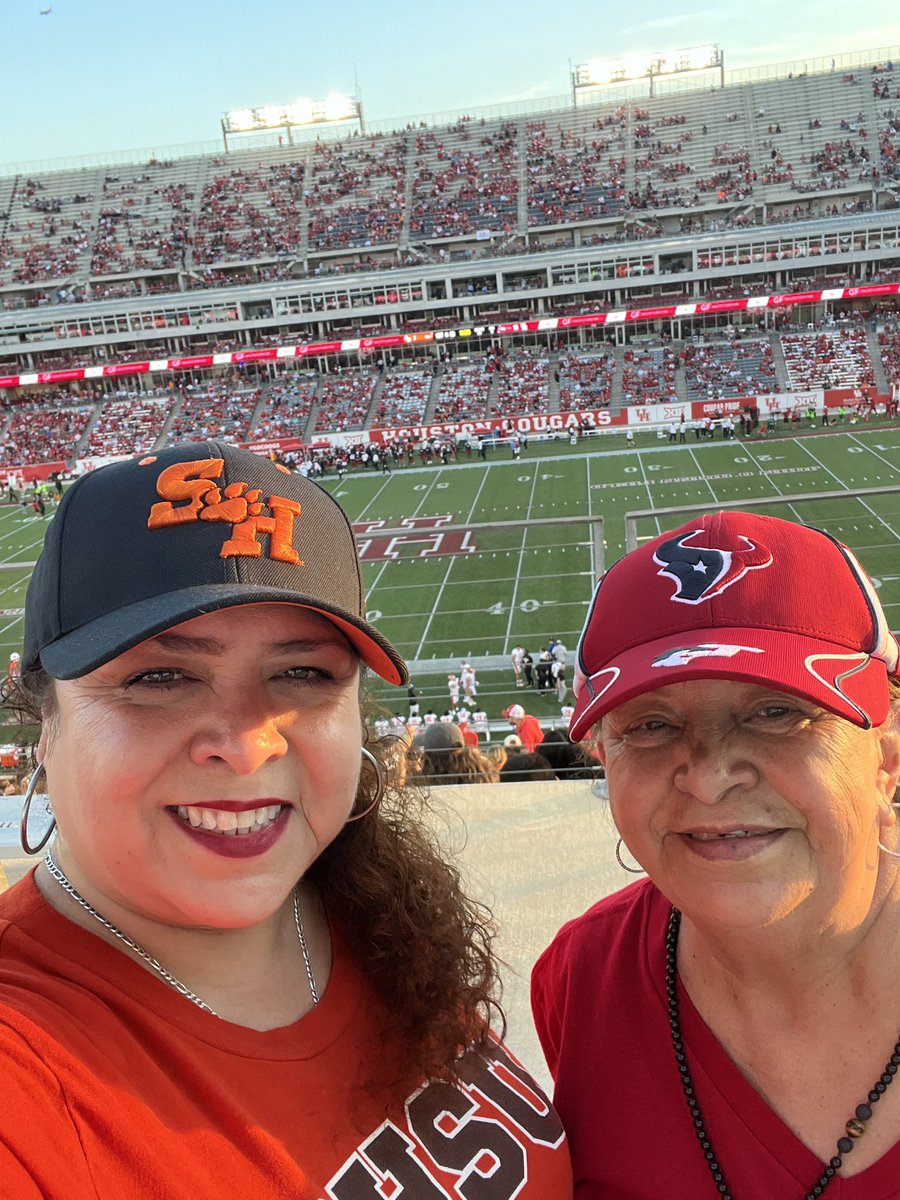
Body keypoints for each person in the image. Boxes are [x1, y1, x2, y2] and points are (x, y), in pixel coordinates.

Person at [0, 444, 571, 1198]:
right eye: (159, 677)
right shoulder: (26, 1077)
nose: (245, 745)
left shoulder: (372, 908)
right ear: (45, 721)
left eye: (301, 673)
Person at [532, 509, 900, 1198]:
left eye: (777, 712)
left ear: (885, 751)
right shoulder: (581, 980)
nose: (707, 775)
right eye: (649, 725)